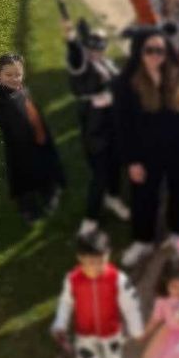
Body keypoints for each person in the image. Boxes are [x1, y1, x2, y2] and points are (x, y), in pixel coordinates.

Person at [113, 29, 179, 267]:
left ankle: (178, 232)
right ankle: (143, 240)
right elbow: (122, 125)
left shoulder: (175, 76)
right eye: (149, 50)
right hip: (145, 154)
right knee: (143, 197)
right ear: (140, 52)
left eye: (160, 50)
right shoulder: (127, 84)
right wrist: (131, 161)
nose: (155, 55)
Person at [51, 228, 144, 358]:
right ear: (80, 258)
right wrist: (60, 323)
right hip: (85, 334)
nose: (96, 267)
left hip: (111, 330)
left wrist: (136, 328)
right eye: (91, 262)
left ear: (108, 255)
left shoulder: (116, 278)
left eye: (101, 261)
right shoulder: (73, 280)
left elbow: (130, 304)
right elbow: (65, 303)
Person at [0, 52, 65, 224]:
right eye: (9, 75)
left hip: (38, 136)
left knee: (45, 166)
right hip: (20, 145)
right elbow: (0, 111)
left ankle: (48, 192)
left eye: (18, 74)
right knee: (23, 176)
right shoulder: (1, 98)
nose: (15, 78)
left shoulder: (21, 88)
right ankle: (28, 208)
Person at [64, 19, 128, 229]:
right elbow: (75, 59)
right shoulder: (82, 66)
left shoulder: (106, 64)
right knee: (100, 175)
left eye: (100, 48)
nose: (96, 52)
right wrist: (71, 40)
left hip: (114, 126)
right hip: (95, 130)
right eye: (92, 48)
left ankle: (114, 197)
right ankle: (90, 220)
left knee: (116, 166)